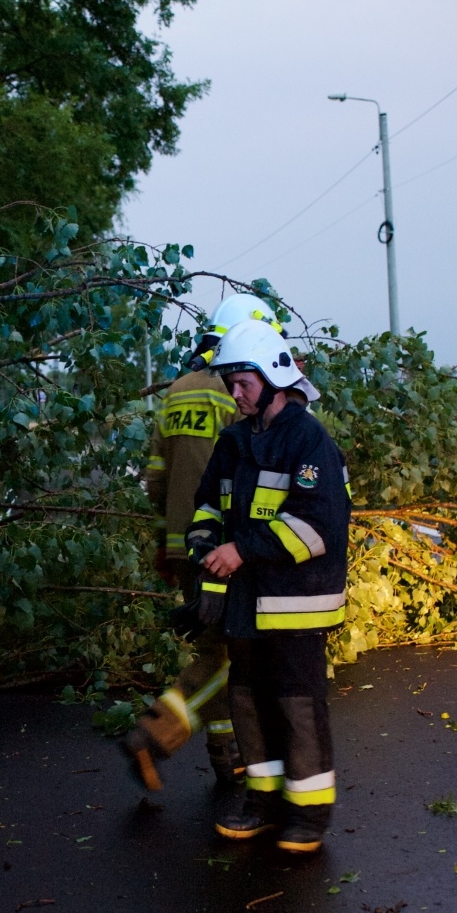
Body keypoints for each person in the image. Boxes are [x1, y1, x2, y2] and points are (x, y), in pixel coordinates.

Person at [186, 318, 351, 853]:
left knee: (296, 706)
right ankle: (262, 802)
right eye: (230, 384)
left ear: (274, 377)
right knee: (248, 703)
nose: (235, 394)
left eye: (243, 383)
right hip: (245, 605)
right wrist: (205, 547)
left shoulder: (308, 440)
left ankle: (309, 813)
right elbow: (208, 505)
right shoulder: (233, 442)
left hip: (296, 604)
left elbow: (318, 525)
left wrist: (242, 549)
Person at [123, 294, 283, 789]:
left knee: (215, 646)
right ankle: (154, 733)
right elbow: (247, 476)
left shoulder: (178, 389)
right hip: (224, 550)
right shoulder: (235, 392)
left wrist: (169, 537)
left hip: (185, 544)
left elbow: (154, 478)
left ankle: (225, 754)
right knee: (226, 655)